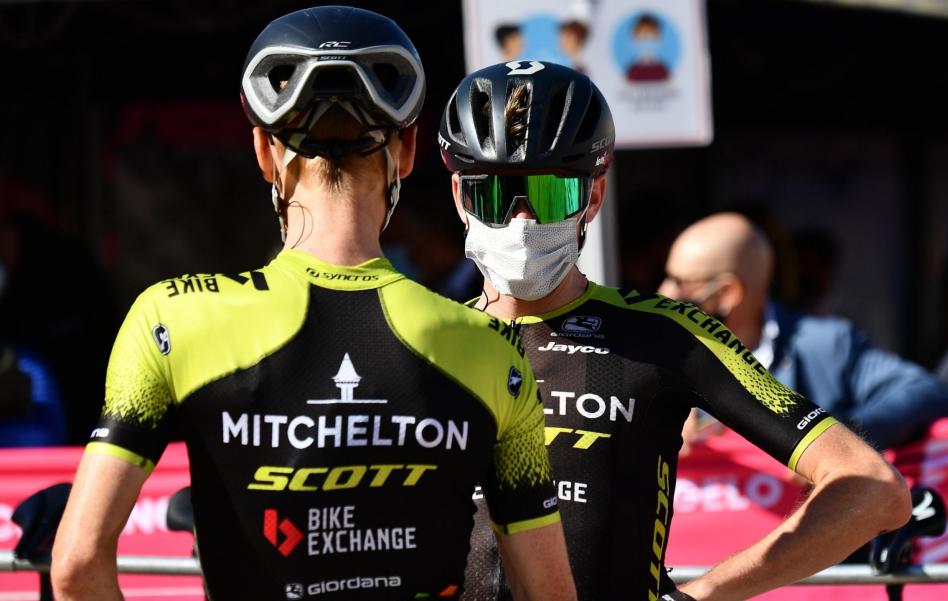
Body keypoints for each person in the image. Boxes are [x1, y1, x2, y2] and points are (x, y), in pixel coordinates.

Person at [51, 7, 575, 601]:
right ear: (407, 151)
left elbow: (76, 566)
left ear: (263, 153)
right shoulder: (491, 348)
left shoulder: (171, 317)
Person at [438, 61, 911, 601]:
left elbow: (872, 489)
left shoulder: (669, 332)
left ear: (592, 197)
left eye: (548, 195)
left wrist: (701, 595)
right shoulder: (422, 337)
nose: (521, 222)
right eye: (497, 195)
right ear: (460, 196)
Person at [659, 212, 948, 451]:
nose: (664, 293)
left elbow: (925, 391)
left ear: (728, 292)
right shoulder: (652, 352)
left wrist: (836, 441)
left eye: (681, 283)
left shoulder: (825, 344)